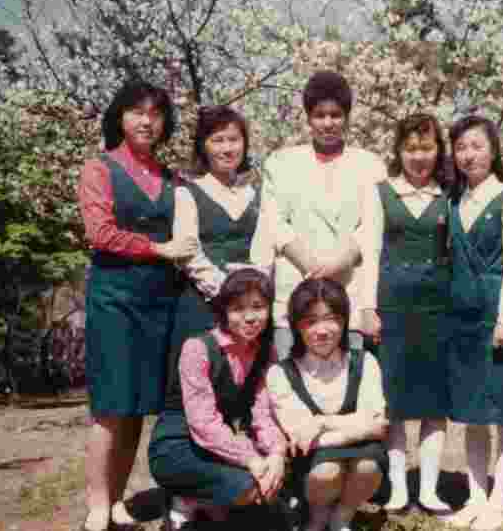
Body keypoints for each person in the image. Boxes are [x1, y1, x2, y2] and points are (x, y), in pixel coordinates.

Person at [77, 81, 198, 531]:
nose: (147, 121)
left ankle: (116, 500)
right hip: (115, 299)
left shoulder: (171, 179)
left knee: (136, 409)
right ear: (120, 117)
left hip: (160, 302)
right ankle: (96, 504)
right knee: (111, 406)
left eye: (155, 113)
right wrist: (160, 248)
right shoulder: (100, 168)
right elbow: (100, 233)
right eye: (137, 112)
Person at [443, 115, 503, 531]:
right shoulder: (455, 202)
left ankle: (500, 501)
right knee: (472, 413)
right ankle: (476, 497)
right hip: (462, 317)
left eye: (476, 146)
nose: (468, 155)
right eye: (460, 147)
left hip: (499, 315)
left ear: (493, 150)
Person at [361, 113, 453, 515]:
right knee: (394, 402)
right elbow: (370, 253)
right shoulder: (380, 192)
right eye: (411, 148)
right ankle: (398, 487)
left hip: (437, 311)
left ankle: (429, 488)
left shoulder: (448, 196)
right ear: (399, 151)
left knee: (435, 404)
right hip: (392, 309)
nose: (419, 157)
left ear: (438, 151)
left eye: (427, 148)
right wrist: (367, 307)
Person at [260, 71, 387, 360]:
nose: (328, 123)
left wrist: (336, 265)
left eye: (336, 115)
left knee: (346, 388)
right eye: (319, 115)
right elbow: (275, 223)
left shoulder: (369, 165)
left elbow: (371, 227)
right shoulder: (281, 163)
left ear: (347, 117)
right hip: (295, 285)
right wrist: (310, 264)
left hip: (348, 289)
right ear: (308, 117)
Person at [149, 267, 288, 530]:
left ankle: (205, 504)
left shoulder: (266, 352)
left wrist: (276, 454)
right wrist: (253, 460)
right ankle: (184, 499)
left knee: (272, 486)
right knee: (252, 488)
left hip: (219, 447)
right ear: (224, 311)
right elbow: (203, 423)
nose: (249, 317)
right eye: (237, 308)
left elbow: (263, 414)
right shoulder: (198, 348)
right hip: (178, 446)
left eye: (258, 307)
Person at [162, 105, 281, 399]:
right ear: (203, 146)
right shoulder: (187, 192)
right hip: (203, 305)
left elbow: (265, 247)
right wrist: (227, 292)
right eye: (218, 140)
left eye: (234, 139)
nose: (227, 148)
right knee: (200, 392)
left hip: (251, 309)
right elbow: (189, 253)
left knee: (250, 394)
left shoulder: (257, 194)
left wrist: (252, 291)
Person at [267, 278, 388, 531]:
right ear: (296, 327)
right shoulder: (280, 373)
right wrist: (365, 429)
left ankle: (342, 518)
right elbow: (301, 436)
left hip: (362, 456)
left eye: (331, 318)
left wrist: (321, 422)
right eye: (311, 322)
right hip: (314, 464)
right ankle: (317, 517)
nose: (322, 330)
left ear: (344, 321)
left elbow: (376, 420)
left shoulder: (365, 363)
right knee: (327, 470)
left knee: (367, 466)